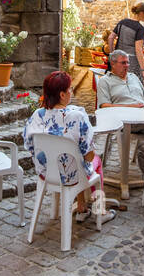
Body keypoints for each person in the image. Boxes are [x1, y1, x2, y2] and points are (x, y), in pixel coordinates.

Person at [22, 71, 115, 225]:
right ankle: (101, 211)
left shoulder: (37, 115)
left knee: (73, 159)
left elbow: (28, 144)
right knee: (93, 161)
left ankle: (81, 207)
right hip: (72, 176)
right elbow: (88, 156)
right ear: (62, 95)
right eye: (70, 89)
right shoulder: (77, 116)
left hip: (47, 173)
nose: (72, 92)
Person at [107, 2, 144, 74]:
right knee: (134, 83)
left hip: (118, 60)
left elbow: (110, 38)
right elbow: (138, 50)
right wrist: (143, 70)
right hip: (131, 64)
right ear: (141, 13)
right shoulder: (139, 28)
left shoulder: (122, 22)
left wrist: (112, 54)